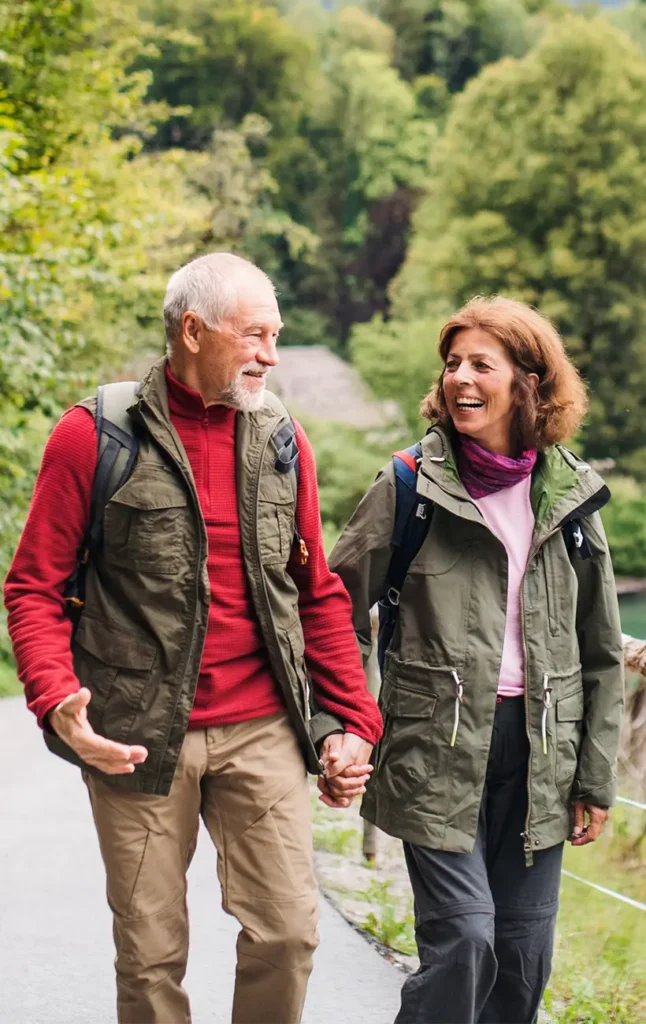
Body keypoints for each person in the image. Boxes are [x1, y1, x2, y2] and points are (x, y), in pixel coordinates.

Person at [4, 252, 382, 1024]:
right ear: (192, 330)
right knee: (149, 957)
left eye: (276, 335)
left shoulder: (283, 439)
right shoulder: (93, 435)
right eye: (254, 336)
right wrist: (56, 699)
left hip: (263, 727)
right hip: (134, 735)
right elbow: (33, 587)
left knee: (288, 935)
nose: (271, 356)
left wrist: (353, 718)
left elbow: (315, 591)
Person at [329, 296, 624, 1024]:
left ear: (529, 381)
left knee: (521, 965)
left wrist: (594, 777)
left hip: (542, 760)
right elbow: (334, 610)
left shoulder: (570, 494)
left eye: (481, 365)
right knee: (464, 943)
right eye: (453, 363)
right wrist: (347, 723)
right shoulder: (410, 485)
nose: (460, 377)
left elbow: (601, 650)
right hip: (434, 750)